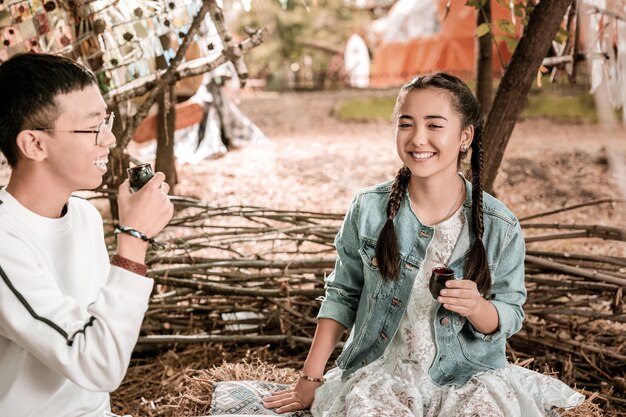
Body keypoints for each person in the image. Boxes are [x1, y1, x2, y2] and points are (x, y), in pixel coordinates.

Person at [263, 73, 584, 416]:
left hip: (467, 378)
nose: (418, 138)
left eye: (434, 125)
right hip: (382, 374)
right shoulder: (369, 209)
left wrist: (476, 307)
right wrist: (310, 379)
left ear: (464, 137)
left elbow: (510, 313)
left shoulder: (499, 225)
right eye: (406, 124)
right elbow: (342, 293)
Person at [0, 53, 173, 416]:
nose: (109, 138)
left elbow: (100, 335)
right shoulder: (5, 241)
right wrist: (133, 239)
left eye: (105, 120)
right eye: (93, 126)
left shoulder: (85, 216)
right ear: (34, 145)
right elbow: (98, 365)